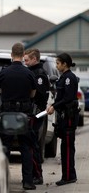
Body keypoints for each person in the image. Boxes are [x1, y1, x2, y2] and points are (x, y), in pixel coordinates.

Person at [0, 42, 37, 190]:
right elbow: (33, 93)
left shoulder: (4, 72)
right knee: (25, 147)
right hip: (23, 115)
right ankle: (27, 181)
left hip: (7, 114)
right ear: (23, 54)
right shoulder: (29, 73)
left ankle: (3, 181)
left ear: (11, 54)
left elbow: (0, 91)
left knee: (5, 147)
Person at [46, 52, 79, 186]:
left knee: (67, 147)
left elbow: (68, 98)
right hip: (64, 116)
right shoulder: (63, 77)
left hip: (69, 116)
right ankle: (69, 175)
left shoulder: (69, 78)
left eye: (58, 63)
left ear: (65, 64)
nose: (56, 66)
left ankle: (68, 176)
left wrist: (54, 106)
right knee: (65, 146)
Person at [24, 48, 50, 185]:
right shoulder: (32, 72)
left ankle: (38, 175)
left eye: (27, 60)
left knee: (33, 145)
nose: (25, 62)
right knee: (31, 144)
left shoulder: (39, 75)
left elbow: (39, 96)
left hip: (36, 113)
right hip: (33, 113)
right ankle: (35, 174)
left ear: (34, 59)